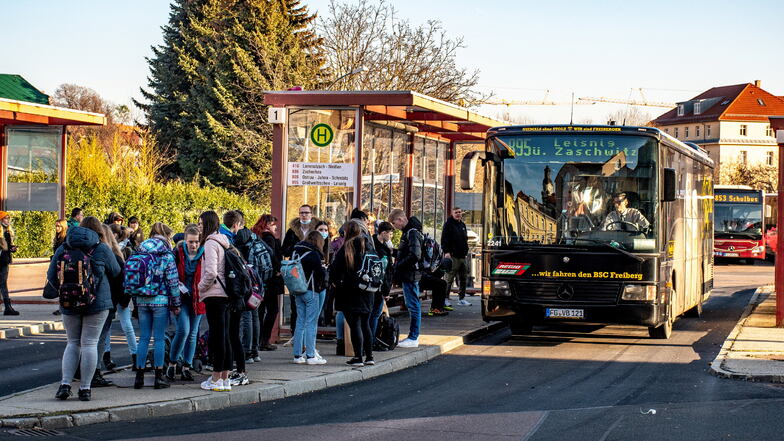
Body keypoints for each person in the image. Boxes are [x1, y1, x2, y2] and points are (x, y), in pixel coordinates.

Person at [49, 217, 121, 401]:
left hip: (69, 301)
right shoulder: (102, 248)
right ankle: (85, 388)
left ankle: (65, 384)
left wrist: (65, 289)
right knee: (89, 344)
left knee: (72, 342)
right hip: (97, 303)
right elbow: (116, 271)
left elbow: (51, 275)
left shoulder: (64, 247)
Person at [132, 222, 181, 390]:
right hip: (160, 300)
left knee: (144, 338)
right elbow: (173, 282)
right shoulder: (166, 253)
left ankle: (139, 377)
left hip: (141, 299)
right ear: (167, 236)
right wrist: (176, 304)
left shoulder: (140, 251)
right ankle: (158, 377)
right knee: (159, 338)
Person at [199, 211, 235, 392]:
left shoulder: (210, 243)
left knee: (217, 337)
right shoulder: (223, 241)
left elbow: (211, 272)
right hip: (226, 293)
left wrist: (200, 287)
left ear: (206, 224)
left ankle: (215, 379)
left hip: (215, 294)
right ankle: (225, 378)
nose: (198, 227)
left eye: (200, 224)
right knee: (225, 336)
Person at [330, 220, 375, 366]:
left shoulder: (347, 248)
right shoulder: (369, 246)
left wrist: (335, 282)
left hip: (350, 291)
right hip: (367, 291)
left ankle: (358, 357)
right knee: (365, 324)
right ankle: (369, 356)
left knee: (354, 324)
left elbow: (335, 269)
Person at [217, 210, 250, 387]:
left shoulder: (223, 242)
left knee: (230, 335)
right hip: (237, 296)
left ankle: (236, 371)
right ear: (236, 224)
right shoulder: (233, 243)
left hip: (232, 296)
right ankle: (239, 370)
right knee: (233, 335)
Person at [169, 224, 205, 382]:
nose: (194, 245)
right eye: (191, 242)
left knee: (192, 334)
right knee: (183, 330)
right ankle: (172, 363)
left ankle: (186, 366)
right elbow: (170, 275)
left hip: (198, 298)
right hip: (180, 298)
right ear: (185, 240)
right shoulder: (177, 253)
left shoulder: (204, 254)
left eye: (197, 242)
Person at [290, 230, 328, 365]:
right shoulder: (314, 254)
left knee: (300, 322)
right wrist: (324, 270)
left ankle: (297, 355)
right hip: (311, 291)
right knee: (311, 323)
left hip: (297, 289)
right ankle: (311, 355)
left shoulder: (296, 251)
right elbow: (320, 274)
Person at [389, 209, 423, 348]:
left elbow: (415, 255)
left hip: (410, 274)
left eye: (394, 223)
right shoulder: (412, 232)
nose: (394, 226)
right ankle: (413, 336)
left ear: (401, 219)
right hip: (411, 273)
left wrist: (399, 265)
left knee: (413, 305)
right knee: (413, 304)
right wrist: (394, 252)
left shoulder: (411, 232)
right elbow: (410, 253)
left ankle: (413, 336)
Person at [107, 224, 137, 369]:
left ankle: (107, 356)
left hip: (113, 294)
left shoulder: (111, 251)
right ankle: (135, 355)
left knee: (108, 327)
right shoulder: (123, 251)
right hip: (121, 294)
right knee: (126, 326)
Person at [234, 211, 261, 364]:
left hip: (245, 280)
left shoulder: (239, 237)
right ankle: (255, 350)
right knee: (254, 315)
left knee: (246, 316)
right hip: (256, 280)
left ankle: (246, 351)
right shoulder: (253, 236)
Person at [252, 214, 282, 352]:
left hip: (260, 279)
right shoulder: (269, 237)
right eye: (274, 224)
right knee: (273, 310)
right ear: (268, 224)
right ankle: (265, 340)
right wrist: (277, 269)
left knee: (260, 310)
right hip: (270, 279)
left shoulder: (257, 236)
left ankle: (257, 341)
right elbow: (271, 255)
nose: (276, 227)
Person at [441, 206, 471, 307]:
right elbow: (444, 239)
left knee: (463, 278)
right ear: (452, 214)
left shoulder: (462, 225)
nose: (458, 214)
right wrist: (446, 252)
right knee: (449, 278)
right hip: (453, 256)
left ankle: (461, 299)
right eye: (456, 212)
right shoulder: (448, 225)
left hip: (462, 256)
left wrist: (466, 251)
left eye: (459, 212)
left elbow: (465, 239)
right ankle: (444, 298)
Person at [370, 221, 395, 338]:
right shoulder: (375, 246)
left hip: (381, 286)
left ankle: (371, 338)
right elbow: (386, 270)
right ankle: (371, 339)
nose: (391, 236)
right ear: (384, 233)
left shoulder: (383, 246)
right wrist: (385, 290)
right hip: (376, 285)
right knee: (374, 314)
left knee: (375, 313)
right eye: (390, 234)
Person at [0, 212, 18, 316]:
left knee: (3, 283)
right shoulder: (1, 232)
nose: (7, 220)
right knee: (2, 283)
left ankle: (8, 306)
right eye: (5, 218)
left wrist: (12, 248)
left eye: (8, 218)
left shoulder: (7, 231)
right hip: (2, 260)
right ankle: (7, 307)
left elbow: (8, 246)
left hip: (4, 260)